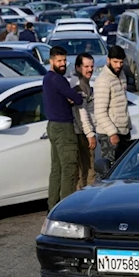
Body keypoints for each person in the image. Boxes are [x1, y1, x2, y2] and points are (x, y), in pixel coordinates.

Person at [43, 46, 84, 211]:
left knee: (57, 169)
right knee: (69, 168)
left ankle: (52, 206)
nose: (63, 63)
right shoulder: (58, 79)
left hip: (53, 126)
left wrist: (69, 98)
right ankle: (66, 209)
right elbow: (77, 98)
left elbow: (63, 96)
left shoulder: (47, 78)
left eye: (64, 60)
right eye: (59, 61)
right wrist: (77, 97)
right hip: (63, 127)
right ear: (51, 61)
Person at [94, 45, 132, 166]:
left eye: (121, 62)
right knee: (109, 170)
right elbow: (100, 112)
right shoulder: (103, 80)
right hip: (109, 134)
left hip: (123, 131)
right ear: (108, 60)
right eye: (115, 62)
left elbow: (122, 104)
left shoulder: (121, 75)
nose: (118, 65)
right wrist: (112, 133)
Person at [72, 53, 97, 189]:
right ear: (77, 67)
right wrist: (90, 133)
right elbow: (80, 112)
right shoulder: (77, 85)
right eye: (86, 66)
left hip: (83, 132)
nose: (90, 69)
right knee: (87, 171)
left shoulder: (86, 84)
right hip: (81, 133)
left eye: (92, 66)